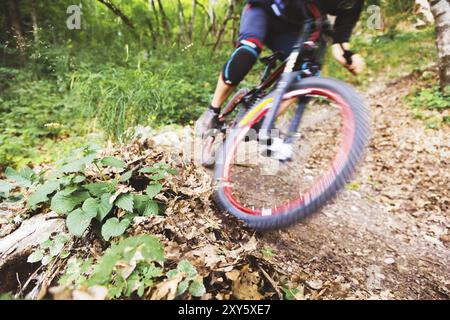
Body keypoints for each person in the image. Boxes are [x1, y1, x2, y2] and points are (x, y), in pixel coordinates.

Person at [195, 0, 366, 136]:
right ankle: (212, 111)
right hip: (264, 10)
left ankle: (262, 118)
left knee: (307, 73)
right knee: (247, 52)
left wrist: (349, 56)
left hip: (293, 30)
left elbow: (340, 43)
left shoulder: (353, 3)